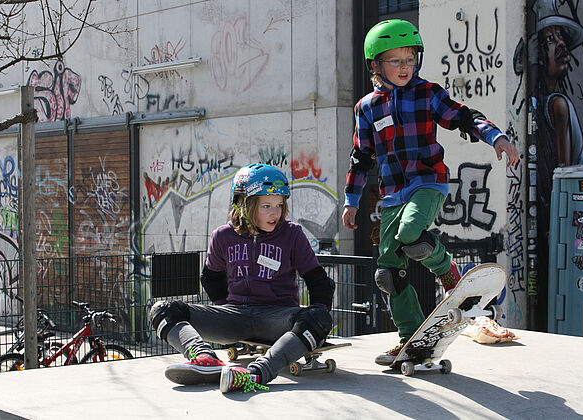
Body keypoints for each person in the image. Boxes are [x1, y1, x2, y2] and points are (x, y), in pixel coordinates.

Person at [341, 19, 519, 366]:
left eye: (410, 59)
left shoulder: (427, 93)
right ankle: (410, 340)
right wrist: (351, 201)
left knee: (412, 234)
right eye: (395, 60)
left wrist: (495, 137)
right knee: (389, 272)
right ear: (375, 64)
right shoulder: (366, 108)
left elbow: (463, 117)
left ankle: (448, 273)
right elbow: (361, 157)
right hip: (392, 192)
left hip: (428, 182)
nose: (405, 67)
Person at [149, 163, 334, 393]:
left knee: (319, 317)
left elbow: (317, 279)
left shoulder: (292, 234)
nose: (275, 213)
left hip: (277, 317)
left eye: (279, 205)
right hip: (234, 315)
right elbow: (210, 277)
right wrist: (222, 308)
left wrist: (315, 319)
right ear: (244, 204)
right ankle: (205, 359)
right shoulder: (223, 236)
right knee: (162, 310)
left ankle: (256, 373)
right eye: (266, 206)